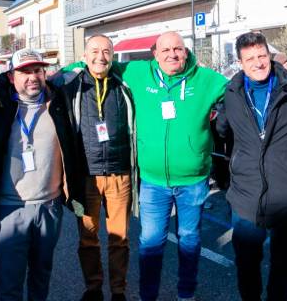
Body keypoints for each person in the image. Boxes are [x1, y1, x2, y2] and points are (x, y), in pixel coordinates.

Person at [65, 31, 227, 301]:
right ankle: (145, 295)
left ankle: (185, 294)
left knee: (189, 241)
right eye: (165, 50)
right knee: (150, 243)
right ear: (155, 53)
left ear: (186, 51)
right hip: (151, 182)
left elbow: (240, 86)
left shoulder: (207, 79)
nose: (172, 54)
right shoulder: (137, 73)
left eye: (178, 49)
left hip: (192, 181)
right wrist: (59, 72)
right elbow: (91, 64)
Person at [216, 32, 287, 300]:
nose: (257, 63)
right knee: (246, 264)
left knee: (282, 263)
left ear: (270, 56)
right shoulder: (231, 95)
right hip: (246, 196)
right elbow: (222, 131)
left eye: (261, 56)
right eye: (250, 58)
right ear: (241, 63)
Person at [0, 48, 86, 301]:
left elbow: (78, 67)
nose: (32, 77)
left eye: (38, 71)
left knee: (41, 278)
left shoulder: (58, 103)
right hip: (10, 208)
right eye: (24, 72)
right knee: (9, 284)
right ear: (11, 77)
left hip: (49, 207)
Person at [57, 35, 136, 301]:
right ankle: (93, 288)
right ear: (84, 54)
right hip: (85, 177)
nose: (100, 57)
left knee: (119, 240)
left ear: (113, 55)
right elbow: (37, 80)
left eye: (106, 51)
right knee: (87, 239)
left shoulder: (123, 85)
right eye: (94, 51)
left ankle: (118, 291)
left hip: (120, 175)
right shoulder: (71, 85)